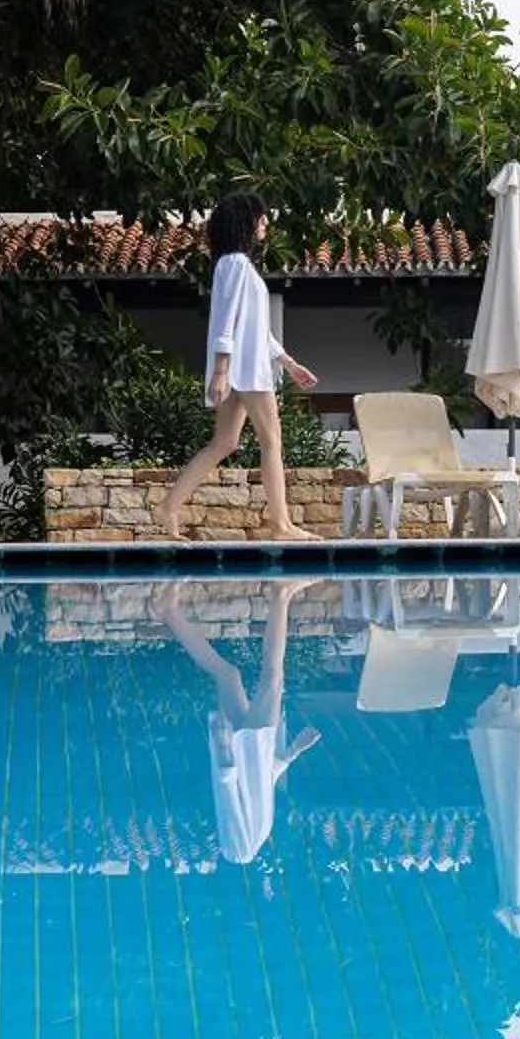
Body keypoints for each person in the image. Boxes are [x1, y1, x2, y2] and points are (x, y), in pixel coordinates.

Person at [161, 191, 319, 542]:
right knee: (271, 442)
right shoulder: (233, 264)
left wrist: (289, 363)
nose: (265, 224)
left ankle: (168, 508)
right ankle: (281, 525)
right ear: (247, 222)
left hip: (242, 368)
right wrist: (220, 370)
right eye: (261, 218)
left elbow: (257, 329)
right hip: (245, 371)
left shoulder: (236, 266)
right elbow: (225, 321)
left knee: (225, 443)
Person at [157, 577, 321, 866]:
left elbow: (228, 797)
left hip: (249, 750)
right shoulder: (259, 837)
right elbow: (263, 785)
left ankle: (281, 593)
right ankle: (169, 611)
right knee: (228, 675)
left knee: (273, 676)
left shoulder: (240, 853)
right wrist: (295, 750)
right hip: (250, 753)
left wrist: (222, 750)